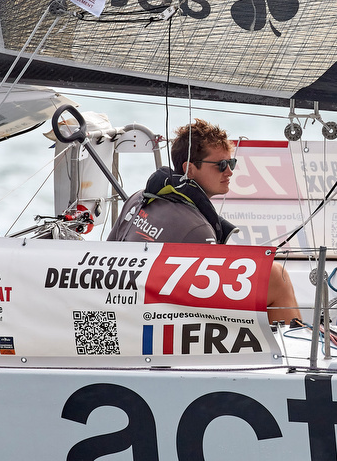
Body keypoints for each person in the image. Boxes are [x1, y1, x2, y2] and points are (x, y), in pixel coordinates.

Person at [110, 119, 302, 325]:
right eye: (221, 165)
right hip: (161, 321)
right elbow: (209, 310)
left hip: (122, 309)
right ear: (189, 169)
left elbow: (109, 249)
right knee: (276, 277)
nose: (229, 172)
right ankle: (295, 348)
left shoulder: (138, 198)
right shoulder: (198, 230)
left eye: (231, 163)